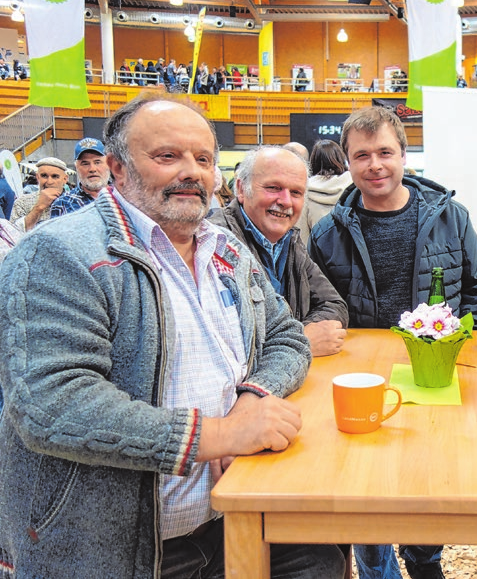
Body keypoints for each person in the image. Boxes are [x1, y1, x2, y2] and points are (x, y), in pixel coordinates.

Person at [0, 94, 346, 579]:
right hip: (117, 550)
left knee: (323, 556)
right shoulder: (59, 255)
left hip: (233, 519)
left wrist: (251, 400)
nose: (192, 172)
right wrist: (220, 434)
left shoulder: (224, 250)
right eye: (167, 156)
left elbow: (287, 336)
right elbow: (52, 405)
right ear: (117, 168)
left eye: (203, 159)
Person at [309, 106, 477, 579]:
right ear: (348, 162)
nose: (375, 165)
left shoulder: (450, 217)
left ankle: (425, 558)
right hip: (359, 375)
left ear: (404, 155)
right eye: (362, 155)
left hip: (432, 370)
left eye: (385, 152)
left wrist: (463, 336)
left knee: (428, 472)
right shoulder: (328, 232)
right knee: (364, 483)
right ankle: (375, 566)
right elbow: (316, 302)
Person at [209, 145, 349, 357]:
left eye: (296, 192)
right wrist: (301, 339)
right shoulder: (214, 243)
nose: (285, 201)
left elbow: (334, 304)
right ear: (240, 189)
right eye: (273, 188)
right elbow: (221, 341)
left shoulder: (289, 241)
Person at [295, 138, 352, 236]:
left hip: (318, 250)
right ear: (341, 158)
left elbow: (302, 235)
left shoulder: (304, 191)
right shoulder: (355, 187)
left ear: (313, 162)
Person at [51, 137, 110, 217]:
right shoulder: (63, 204)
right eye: (85, 164)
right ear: (76, 167)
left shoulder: (124, 198)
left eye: (97, 162)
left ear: (109, 164)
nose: (92, 169)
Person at [11, 156, 69, 230]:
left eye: (55, 176)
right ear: (38, 177)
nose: (49, 182)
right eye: (44, 176)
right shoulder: (22, 202)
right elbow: (13, 234)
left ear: (65, 179)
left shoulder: (76, 202)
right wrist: (39, 207)